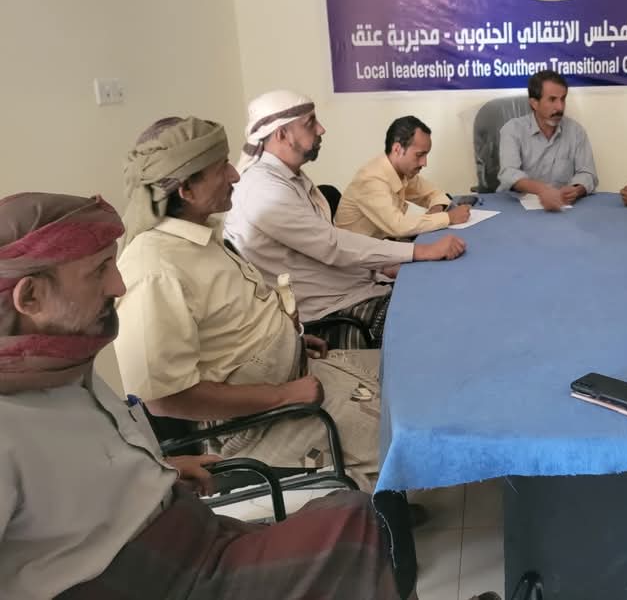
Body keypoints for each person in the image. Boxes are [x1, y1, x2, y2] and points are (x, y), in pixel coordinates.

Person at [0, 191, 407, 600]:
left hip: (186, 523)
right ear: (30, 297)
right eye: (99, 271)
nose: (118, 284)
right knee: (353, 524)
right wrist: (283, 395)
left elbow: (71, 478)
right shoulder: (10, 421)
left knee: (346, 511)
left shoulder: (63, 366)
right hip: (155, 577)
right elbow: (163, 398)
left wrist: (159, 469)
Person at [114, 116, 387, 489]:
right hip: (257, 424)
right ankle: (386, 511)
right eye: (220, 169)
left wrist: (288, 340)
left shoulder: (199, 235)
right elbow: (165, 399)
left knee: (405, 376)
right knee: (401, 428)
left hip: (298, 375)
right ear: (186, 189)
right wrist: (282, 395)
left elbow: (231, 323)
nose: (235, 175)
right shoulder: (153, 270)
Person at [224, 91, 465, 348]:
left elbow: (322, 249)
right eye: (310, 123)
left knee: (445, 288)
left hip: (356, 285)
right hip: (332, 313)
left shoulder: (289, 178)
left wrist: (378, 268)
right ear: (282, 134)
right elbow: (332, 245)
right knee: (443, 316)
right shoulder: (263, 190)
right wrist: (422, 251)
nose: (321, 129)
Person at [336, 115, 470, 239]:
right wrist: (448, 217)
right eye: (419, 155)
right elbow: (399, 226)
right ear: (397, 149)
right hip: (359, 254)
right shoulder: (370, 180)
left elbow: (434, 193)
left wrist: (436, 211)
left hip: (383, 245)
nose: (424, 163)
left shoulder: (402, 171)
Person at [498, 70, 597, 212]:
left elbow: (588, 173)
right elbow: (509, 173)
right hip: (517, 209)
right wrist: (542, 190)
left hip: (562, 209)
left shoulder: (576, 131)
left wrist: (576, 189)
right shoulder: (512, 129)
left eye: (563, 99)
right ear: (534, 103)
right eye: (552, 100)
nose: (560, 107)